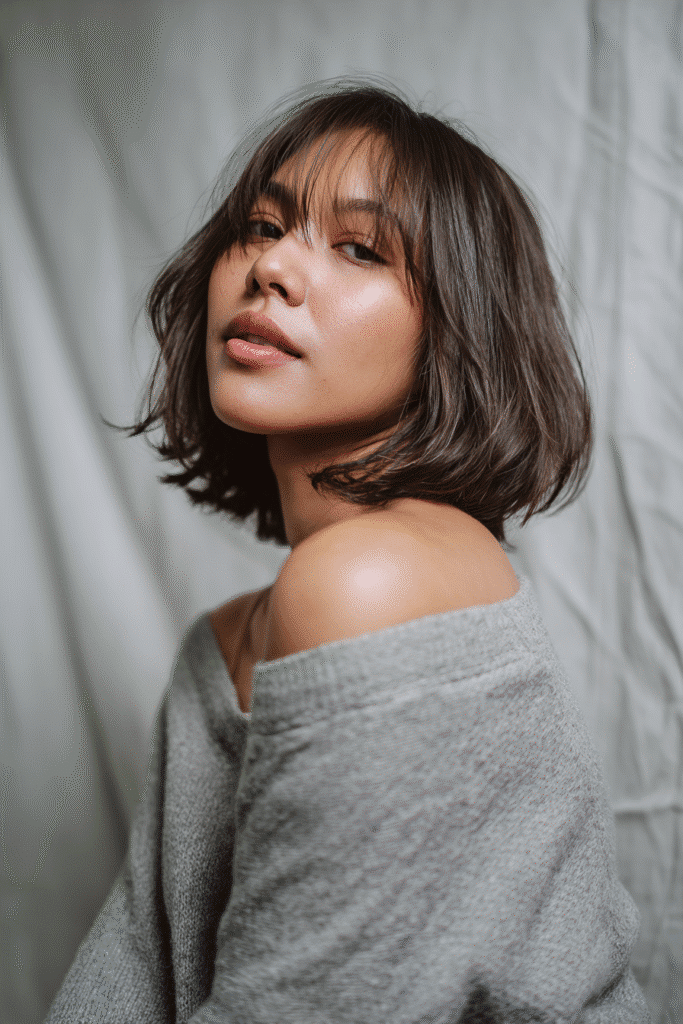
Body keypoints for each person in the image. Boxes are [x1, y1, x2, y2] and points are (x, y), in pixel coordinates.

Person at [45, 81, 651, 1023]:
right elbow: (134, 959)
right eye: (260, 225)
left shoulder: (370, 581)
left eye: (359, 248)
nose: (273, 267)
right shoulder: (225, 643)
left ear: (457, 331)